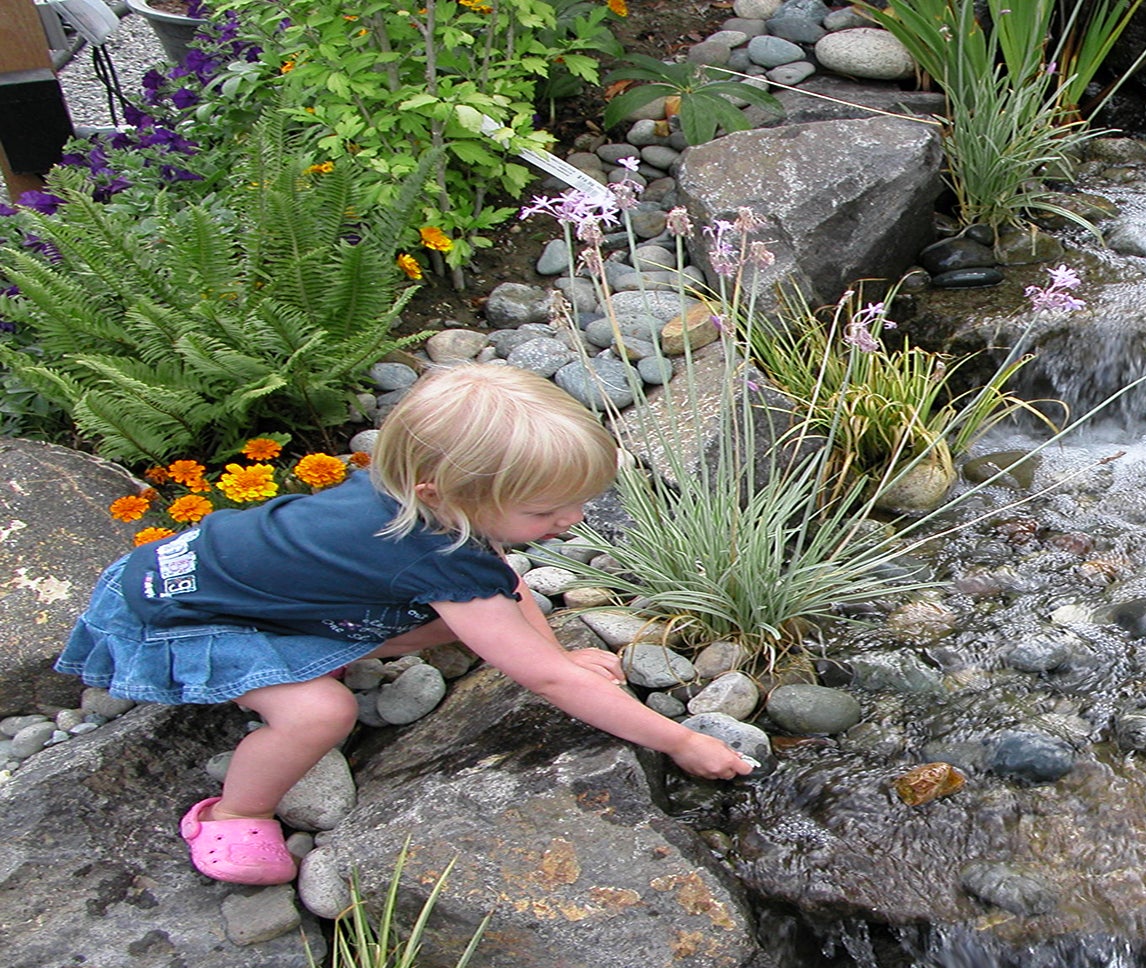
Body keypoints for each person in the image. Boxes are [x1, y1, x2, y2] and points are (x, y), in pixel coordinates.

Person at [55, 362, 753, 886]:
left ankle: (304, 660)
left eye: (577, 504)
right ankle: (235, 813)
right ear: (439, 493)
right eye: (545, 513)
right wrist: (678, 743)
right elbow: (538, 677)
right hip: (172, 617)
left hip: (205, 577)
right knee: (320, 713)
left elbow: (505, 588)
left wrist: (563, 660)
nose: (569, 523)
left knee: (458, 621)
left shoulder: (413, 504)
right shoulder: (435, 550)